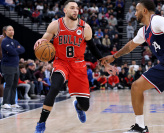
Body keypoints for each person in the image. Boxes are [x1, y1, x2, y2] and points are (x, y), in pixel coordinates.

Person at [100, 0, 164, 132]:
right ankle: (140, 127)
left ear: (144, 11)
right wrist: (113, 57)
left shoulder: (156, 20)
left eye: (137, 10)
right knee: (136, 86)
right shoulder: (143, 31)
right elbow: (130, 46)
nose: (135, 13)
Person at [33, 1, 117, 133]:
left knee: (85, 106)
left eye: (77, 8)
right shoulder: (56, 25)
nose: (75, 10)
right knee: (54, 88)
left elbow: (93, 48)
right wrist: (40, 43)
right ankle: (41, 123)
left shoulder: (85, 28)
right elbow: (44, 41)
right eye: (72, 8)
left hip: (78, 65)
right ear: (65, 10)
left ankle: (77, 106)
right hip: (61, 62)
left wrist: (105, 64)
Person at [1, 25, 25, 109]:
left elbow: (22, 49)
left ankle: (12, 102)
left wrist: (15, 49)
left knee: (15, 85)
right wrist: (16, 49)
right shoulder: (5, 41)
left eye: (12, 30)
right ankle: (5, 103)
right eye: (9, 30)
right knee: (9, 84)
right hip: (8, 66)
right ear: (6, 32)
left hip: (15, 66)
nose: (11, 31)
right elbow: (12, 52)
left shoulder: (15, 41)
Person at [0, 26, 6, 107]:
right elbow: (1, 51)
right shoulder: (2, 38)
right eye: (9, 30)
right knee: (1, 82)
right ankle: (1, 101)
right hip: (1, 61)